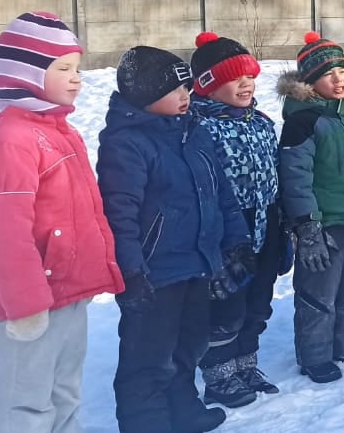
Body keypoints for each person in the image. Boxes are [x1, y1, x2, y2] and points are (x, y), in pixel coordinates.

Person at [0, 12, 124, 433]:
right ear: (25, 74)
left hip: (66, 295)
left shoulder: (55, 130)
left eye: (77, 68)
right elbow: (2, 236)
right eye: (63, 69)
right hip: (28, 308)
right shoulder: (5, 140)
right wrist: (26, 306)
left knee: (63, 396)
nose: (76, 79)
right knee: (24, 408)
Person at [98, 46, 250, 433]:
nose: (186, 95)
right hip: (155, 272)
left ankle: (184, 409)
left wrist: (236, 241)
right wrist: (130, 271)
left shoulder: (193, 131)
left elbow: (222, 193)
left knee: (188, 346)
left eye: (186, 86)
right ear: (147, 94)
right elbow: (120, 214)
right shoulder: (126, 143)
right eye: (175, 89)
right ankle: (145, 422)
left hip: (197, 264)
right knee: (148, 356)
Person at [188, 33, 284, 408]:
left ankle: (246, 363)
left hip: (267, 219)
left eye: (250, 76)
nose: (246, 84)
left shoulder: (260, 122)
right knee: (227, 303)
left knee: (259, 300)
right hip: (228, 228)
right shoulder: (197, 127)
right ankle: (219, 375)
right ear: (208, 85)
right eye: (234, 77)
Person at [277, 32, 344, 383]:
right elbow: (295, 177)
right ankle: (315, 354)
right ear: (310, 82)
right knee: (318, 293)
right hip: (321, 224)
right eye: (329, 74)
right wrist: (307, 225)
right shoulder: (302, 122)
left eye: (343, 71)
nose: (339, 79)